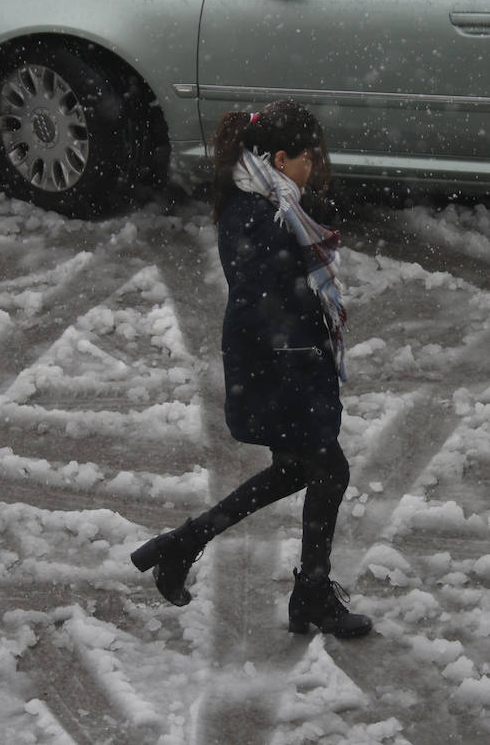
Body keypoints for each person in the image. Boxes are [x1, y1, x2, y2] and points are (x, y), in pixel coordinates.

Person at [131, 100, 372, 638]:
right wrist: (305, 324)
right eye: (310, 157)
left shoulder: (270, 200)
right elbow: (262, 298)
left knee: (301, 470)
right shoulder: (260, 215)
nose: (316, 166)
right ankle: (306, 592)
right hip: (279, 369)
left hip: (281, 364)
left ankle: (187, 546)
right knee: (327, 471)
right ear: (281, 159)